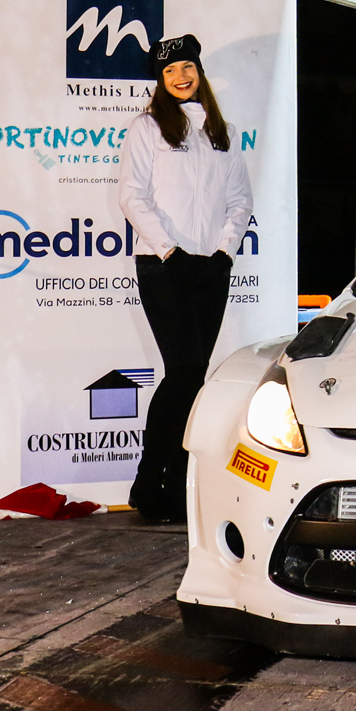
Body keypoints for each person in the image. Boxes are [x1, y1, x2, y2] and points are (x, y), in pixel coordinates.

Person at [118, 34, 253, 523]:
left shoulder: (223, 132)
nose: (180, 76)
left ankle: (174, 484)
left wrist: (223, 253)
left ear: (199, 72)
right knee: (182, 372)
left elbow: (240, 200)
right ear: (160, 79)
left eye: (187, 67)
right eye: (170, 70)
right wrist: (169, 251)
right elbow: (132, 196)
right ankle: (147, 481)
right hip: (163, 266)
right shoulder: (147, 127)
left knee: (194, 377)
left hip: (209, 269)